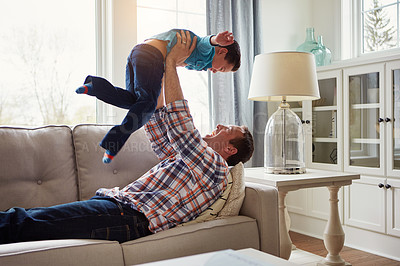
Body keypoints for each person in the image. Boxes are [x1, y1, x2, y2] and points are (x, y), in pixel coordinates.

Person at [0, 31, 253, 244]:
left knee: (23, 221)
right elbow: (158, 125)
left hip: (127, 215)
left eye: (228, 128)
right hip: (117, 207)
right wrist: (160, 76)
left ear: (230, 149)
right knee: (29, 219)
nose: (219, 124)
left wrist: (171, 62)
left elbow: (181, 128)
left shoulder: (216, 169)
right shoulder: (188, 161)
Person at [76, 28, 241, 163]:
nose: (215, 71)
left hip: (139, 53)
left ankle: (95, 86)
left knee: (136, 102)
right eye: (221, 69)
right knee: (148, 107)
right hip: (151, 56)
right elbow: (206, 42)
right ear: (221, 51)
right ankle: (113, 142)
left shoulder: (200, 63)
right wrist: (216, 40)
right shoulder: (207, 51)